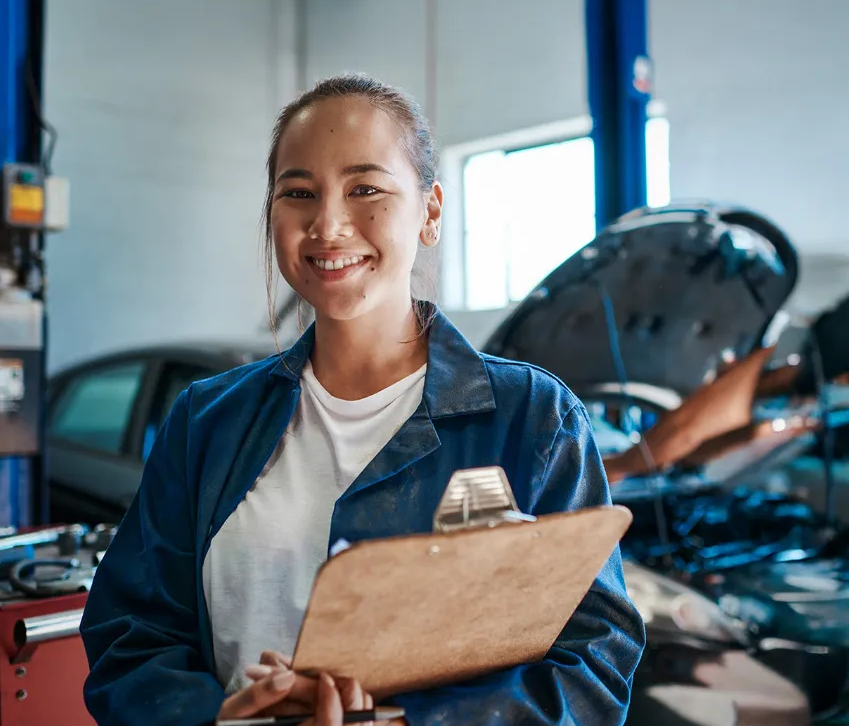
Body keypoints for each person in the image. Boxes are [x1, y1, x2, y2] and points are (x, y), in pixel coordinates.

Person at [79, 74, 646, 726]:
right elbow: (130, 636)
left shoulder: (532, 418)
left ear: (429, 210)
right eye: (298, 192)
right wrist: (218, 716)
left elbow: (593, 662)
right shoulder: (206, 420)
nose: (327, 224)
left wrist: (408, 723)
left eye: (364, 188)